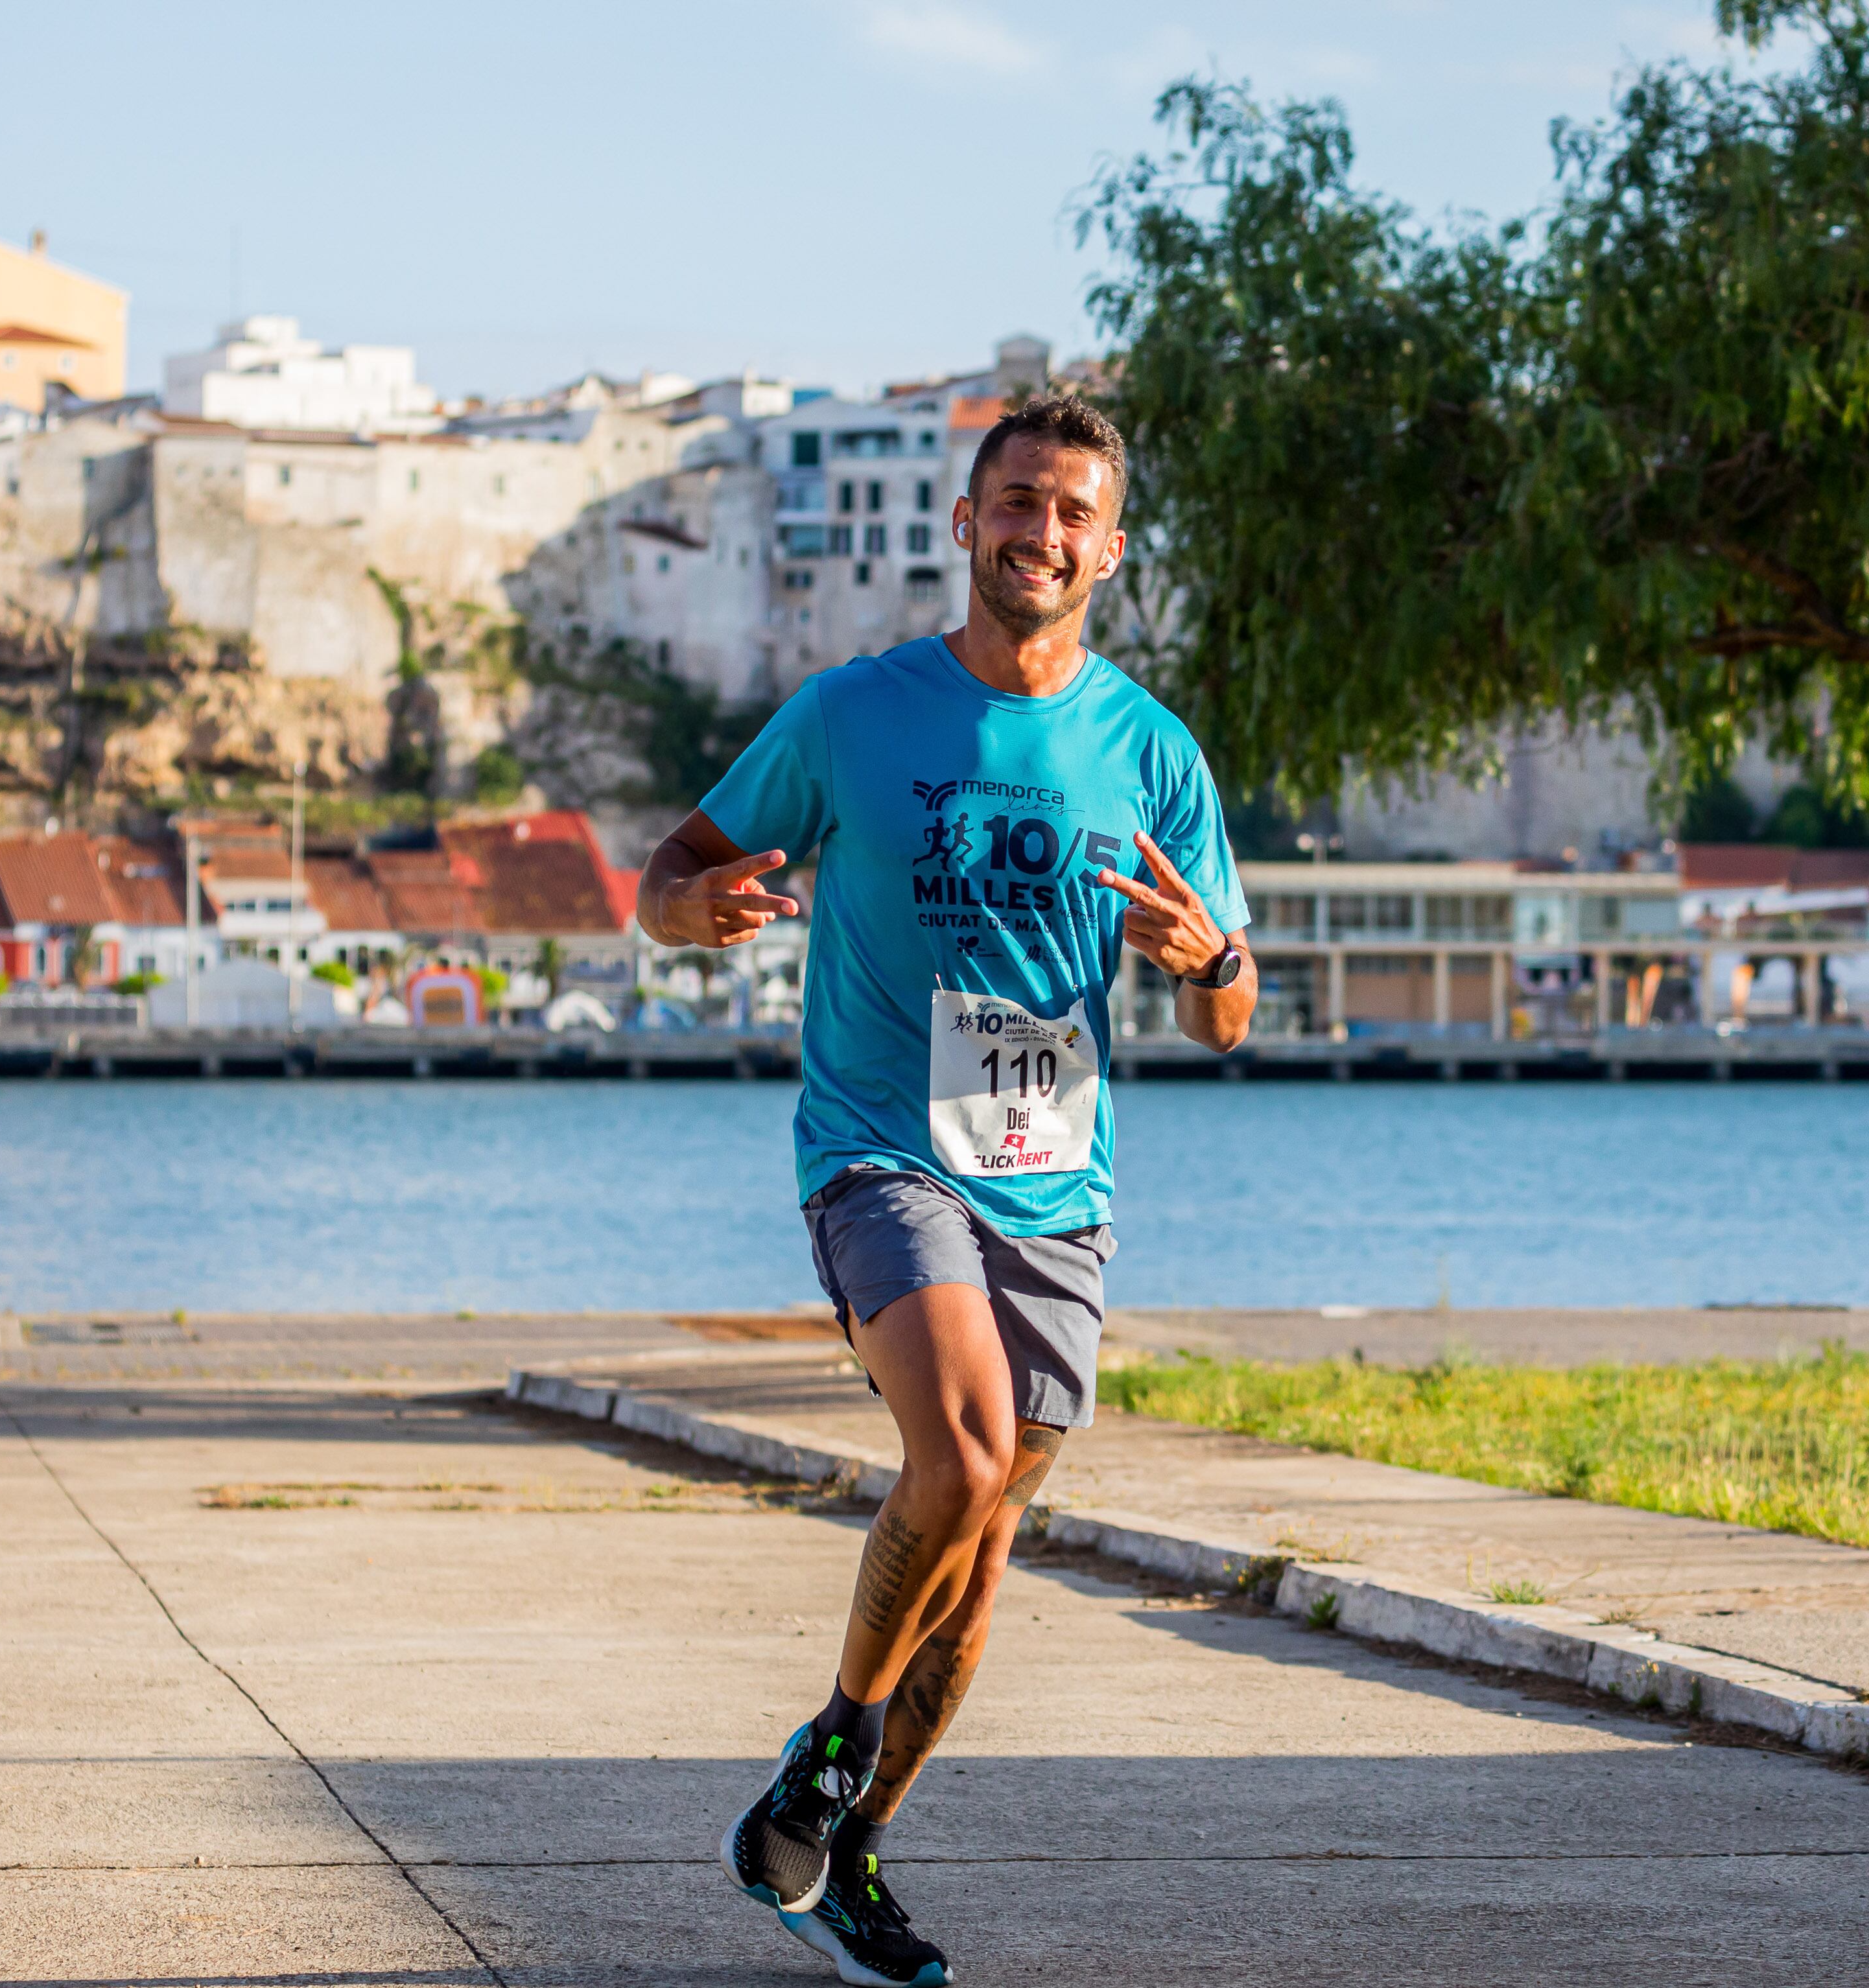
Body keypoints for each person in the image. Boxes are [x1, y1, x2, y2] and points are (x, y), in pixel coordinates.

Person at [637, 394, 1257, 1986]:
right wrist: (695, 909)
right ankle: (835, 1744)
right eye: (1017, 501)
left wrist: (1211, 966)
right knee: (962, 1447)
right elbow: (666, 876)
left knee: (978, 1561)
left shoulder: (1149, 750)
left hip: (1052, 1176)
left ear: (1107, 550)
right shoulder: (852, 713)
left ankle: (854, 1856)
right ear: (964, 522)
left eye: (1072, 513)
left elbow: (1226, 1004)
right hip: (877, 1145)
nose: (1039, 532)